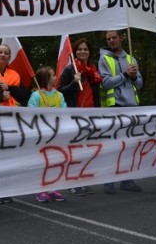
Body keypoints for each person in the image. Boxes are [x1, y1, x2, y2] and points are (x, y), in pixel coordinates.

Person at [98, 30, 143, 194]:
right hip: (114, 108)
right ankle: (108, 181)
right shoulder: (104, 58)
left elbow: (139, 84)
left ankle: (127, 180)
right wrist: (125, 74)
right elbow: (107, 82)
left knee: (129, 146)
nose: (111, 41)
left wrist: (133, 76)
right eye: (108, 39)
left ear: (121, 38)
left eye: (114, 37)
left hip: (131, 108)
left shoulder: (131, 59)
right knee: (113, 146)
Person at [58, 38, 101, 195]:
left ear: (90, 52)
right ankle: (71, 182)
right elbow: (61, 92)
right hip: (75, 114)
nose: (83, 52)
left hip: (91, 114)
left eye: (86, 49)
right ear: (74, 52)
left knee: (86, 150)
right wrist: (74, 83)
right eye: (80, 49)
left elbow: (96, 94)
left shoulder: (93, 72)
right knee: (74, 149)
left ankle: (83, 180)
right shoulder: (70, 70)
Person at [0, 43, 30, 204]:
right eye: (0, 52)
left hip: (10, 118)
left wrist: (10, 87)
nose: (3, 55)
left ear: (10, 57)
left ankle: (4, 189)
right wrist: (0, 92)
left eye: (6, 53)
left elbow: (23, 95)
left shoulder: (14, 74)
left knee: (7, 156)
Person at [28, 66, 67, 203]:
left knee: (55, 162)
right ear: (46, 79)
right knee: (42, 163)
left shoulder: (59, 95)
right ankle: (40, 190)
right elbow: (30, 114)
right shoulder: (36, 95)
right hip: (42, 136)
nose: (56, 77)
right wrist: (43, 112)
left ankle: (53, 188)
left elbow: (65, 112)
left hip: (56, 134)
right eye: (53, 75)